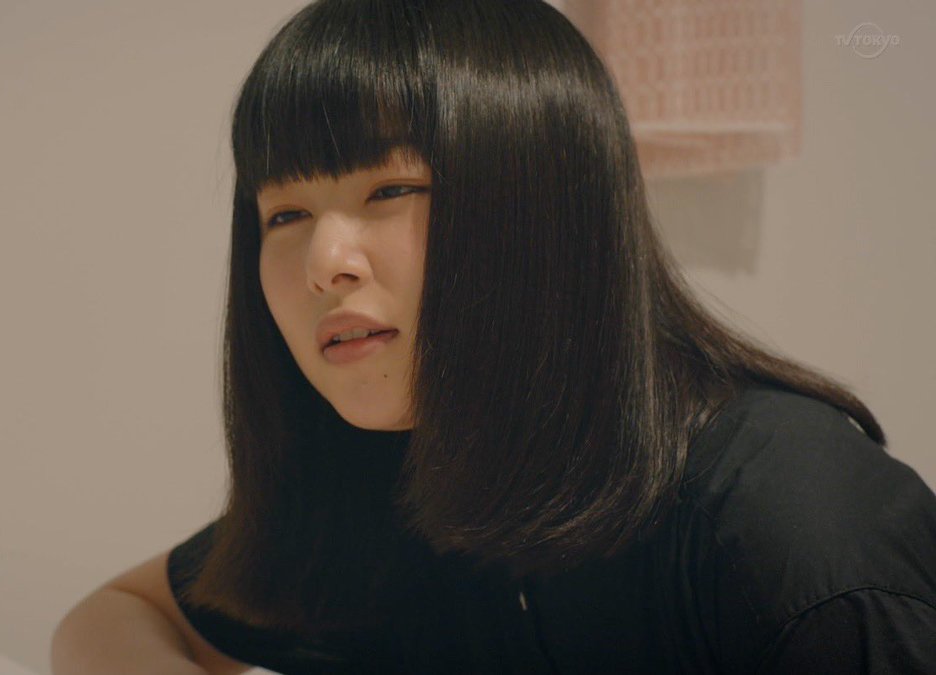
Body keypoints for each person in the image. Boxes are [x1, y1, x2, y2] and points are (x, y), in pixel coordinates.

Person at [51, 1, 936, 673]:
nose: (323, 263)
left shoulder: (795, 527)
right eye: (284, 212)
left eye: (390, 191)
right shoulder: (382, 471)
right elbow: (115, 614)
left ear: (544, 208)